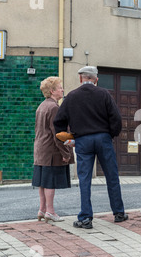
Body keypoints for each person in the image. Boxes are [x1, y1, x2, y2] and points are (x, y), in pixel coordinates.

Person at [53, 66, 128, 229]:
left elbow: (58, 122)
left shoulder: (71, 97)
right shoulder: (104, 94)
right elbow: (116, 119)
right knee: (112, 176)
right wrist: (110, 135)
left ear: (81, 78)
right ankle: (119, 213)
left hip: (82, 141)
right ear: (96, 79)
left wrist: (69, 139)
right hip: (103, 139)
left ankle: (86, 217)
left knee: (85, 179)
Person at [33, 76, 74, 223]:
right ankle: (50, 211)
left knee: (42, 182)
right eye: (59, 88)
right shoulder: (54, 107)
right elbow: (57, 134)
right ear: (52, 91)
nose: (62, 90)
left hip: (40, 150)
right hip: (51, 151)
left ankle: (42, 209)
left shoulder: (41, 106)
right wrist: (66, 153)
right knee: (50, 182)